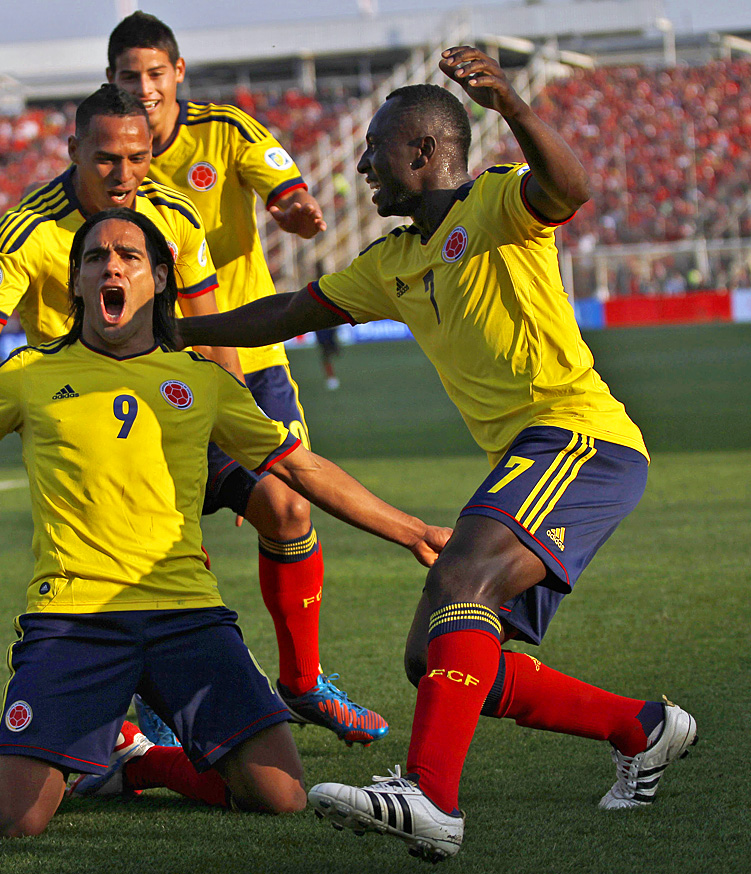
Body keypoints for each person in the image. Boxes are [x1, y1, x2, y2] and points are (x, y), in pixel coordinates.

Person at [0, 209, 451, 839]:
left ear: (159, 279)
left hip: (187, 616)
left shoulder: (202, 381)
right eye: (94, 258)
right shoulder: (26, 375)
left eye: (129, 256)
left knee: (283, 797)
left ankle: (139, 763)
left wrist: (415, 532)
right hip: (74, 620)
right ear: (75, 284)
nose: (111, 266)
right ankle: (79, 753)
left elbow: (304, 470)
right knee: (12, 821)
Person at [179, 47, 697, 861]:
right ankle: (641, 728)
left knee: (461, 580)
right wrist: (173, 332)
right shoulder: (392, 262)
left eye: (374, 151)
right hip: (529, 453)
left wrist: (515, 107)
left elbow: (571, 188)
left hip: (580, 438)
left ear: (421, 153)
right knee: (437, 655)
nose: (360, 167)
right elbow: (280, 313)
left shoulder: (496, 202)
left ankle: (430, 798)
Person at [107, 12, 387, 746]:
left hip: (249, 360)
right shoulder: (110, 158)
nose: (143, 89)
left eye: (155, 74)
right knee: (166, 536)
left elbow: (283, 186)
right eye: (129, 76)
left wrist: (294, 209)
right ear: (111, 81)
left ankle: (303, 681)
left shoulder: (226, 130)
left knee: (291, 509)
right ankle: (160, 697)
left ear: (178, 74)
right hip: (156, 374)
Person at [0, 84, 238, 440]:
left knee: (283, 498)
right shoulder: (28, 229)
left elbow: (210, 331)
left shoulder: (175, 216)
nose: (124, 174)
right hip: (71, 410)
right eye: (107, 159)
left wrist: (239, 417)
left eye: (137, 157)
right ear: (74, 151)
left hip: (165, 397)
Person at [314, 327, 341, 391]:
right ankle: (331, 377)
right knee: (326, 355)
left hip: (328, 328)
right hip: (322, 330)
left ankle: (331, 377)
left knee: (328, 355)